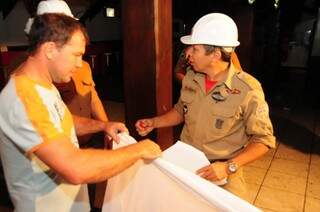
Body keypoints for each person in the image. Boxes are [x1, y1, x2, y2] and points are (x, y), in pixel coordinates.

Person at [0, 13, 161, 212]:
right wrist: (138, 150)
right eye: (76, 55)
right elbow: (75, 168)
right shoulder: (24, 97)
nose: (79, 65)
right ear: (50, 49)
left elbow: (62, 120)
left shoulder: (43, 84)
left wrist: (103, 125)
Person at [136, 13, 276, 201]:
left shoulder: (247, 89)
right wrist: (154, 122)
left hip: (223, 173)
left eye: (195, 49)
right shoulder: (191, 78)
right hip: (186, 165)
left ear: (215, 55)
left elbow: (263, 141)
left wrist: (229, 167)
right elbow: (180, 111)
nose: (188, 54)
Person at [24, 1, 110, 210]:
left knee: (86, 191)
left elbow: (93, 97)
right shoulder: (32, 77)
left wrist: (105, 125)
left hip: (88, 137)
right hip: (60, 149)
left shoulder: (83, 66)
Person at [174, 46, 242, 84]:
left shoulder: (228, 53)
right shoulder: (186, 51)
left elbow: (238, 73)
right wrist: (190, 85)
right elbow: (178, 71)